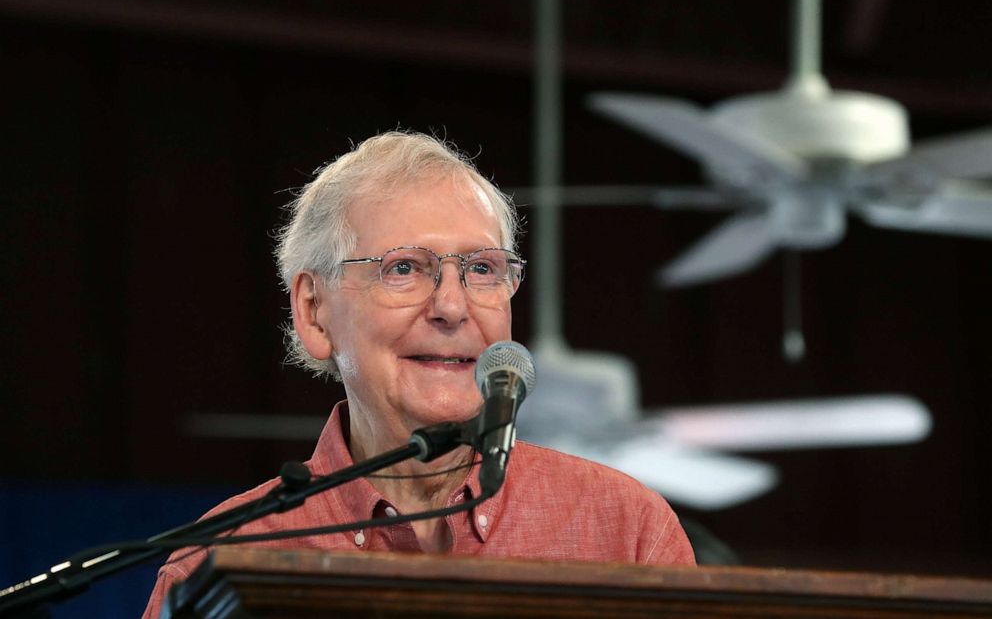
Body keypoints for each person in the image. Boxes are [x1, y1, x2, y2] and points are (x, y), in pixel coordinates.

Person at [142, 131, 694, 618]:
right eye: (404, 268)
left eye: (482, 269)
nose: (452, 308)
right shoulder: (222, 565)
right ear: (313, 311)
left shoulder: (624, 531)